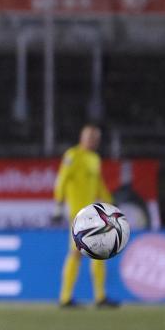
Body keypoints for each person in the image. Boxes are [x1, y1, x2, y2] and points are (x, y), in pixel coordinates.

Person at [52, 123, 118, 308]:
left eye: (96, 138)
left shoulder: (94, 159)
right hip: (78, 214)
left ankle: (99, 297)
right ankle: (66, 298)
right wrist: (58, 205)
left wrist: (110, 202)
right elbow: (62, 181)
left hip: (93, 214)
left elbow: (98, 184)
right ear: (82, 138)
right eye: (90, 137)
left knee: (98, 252)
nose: (93, 141)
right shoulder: (73, 156)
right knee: (76, 253)